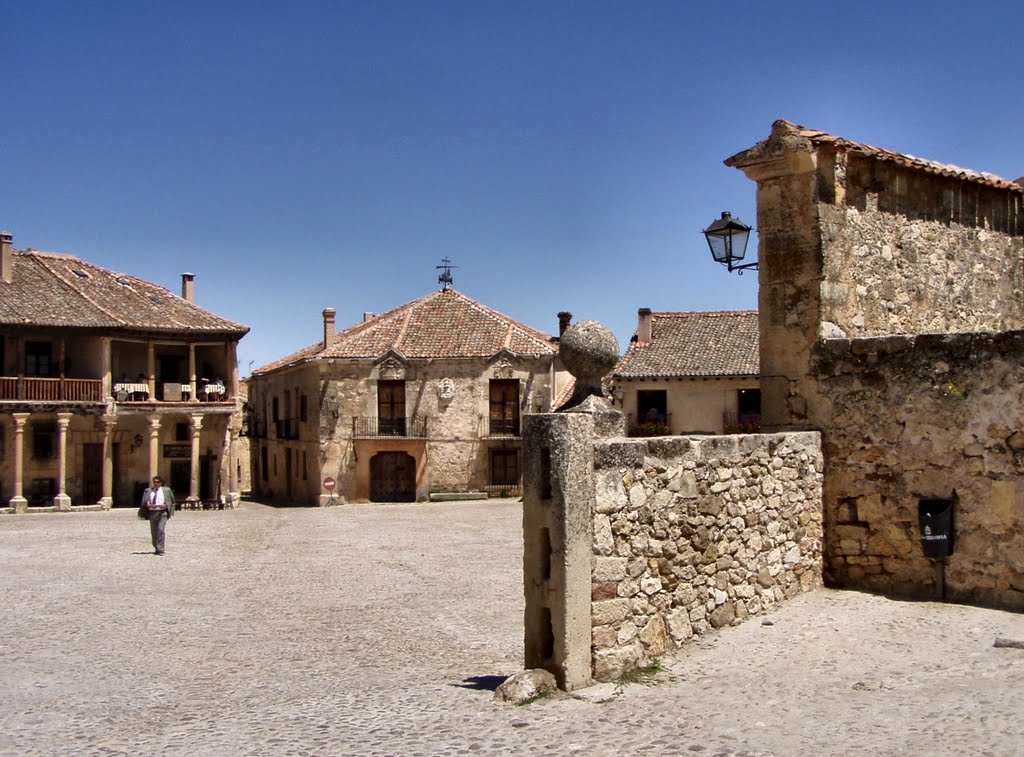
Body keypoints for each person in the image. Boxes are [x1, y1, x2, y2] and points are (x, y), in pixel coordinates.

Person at [141, 476, 175, 555]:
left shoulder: (167, 490)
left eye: (158, 482)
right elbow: (144, 501)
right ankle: (156, 546)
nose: (156, 484)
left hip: (163, 513)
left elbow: (172, 501)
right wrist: (148, 505)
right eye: (155, 482)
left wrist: (168, 509)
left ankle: (161, 549)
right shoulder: (148, 491)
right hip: (152, 513)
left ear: (161, 483)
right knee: (154, 531)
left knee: (161, 530)